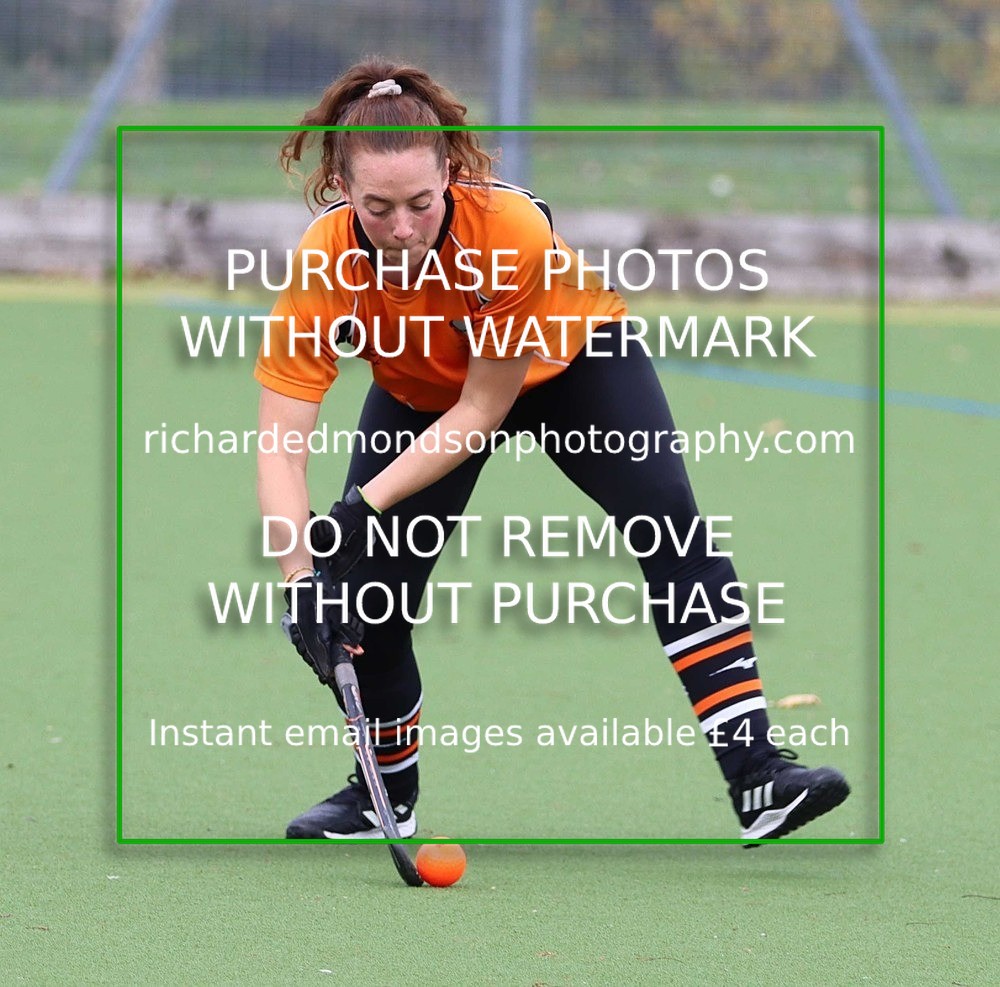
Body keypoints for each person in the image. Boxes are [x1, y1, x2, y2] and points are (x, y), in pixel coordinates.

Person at [255, 58, 849, 843]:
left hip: (569, 362)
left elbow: (483, 409)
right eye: (378, 207)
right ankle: (381, 797)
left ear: (452, 174)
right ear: (341, 186)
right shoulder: (324, 259)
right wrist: (302, 578)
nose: (402, 228)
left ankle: (759, 775)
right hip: (420, 393)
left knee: (671, 528)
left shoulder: (509, 232)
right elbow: (279, 443)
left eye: (421, 204)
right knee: (361, 604)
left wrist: (362, 506)